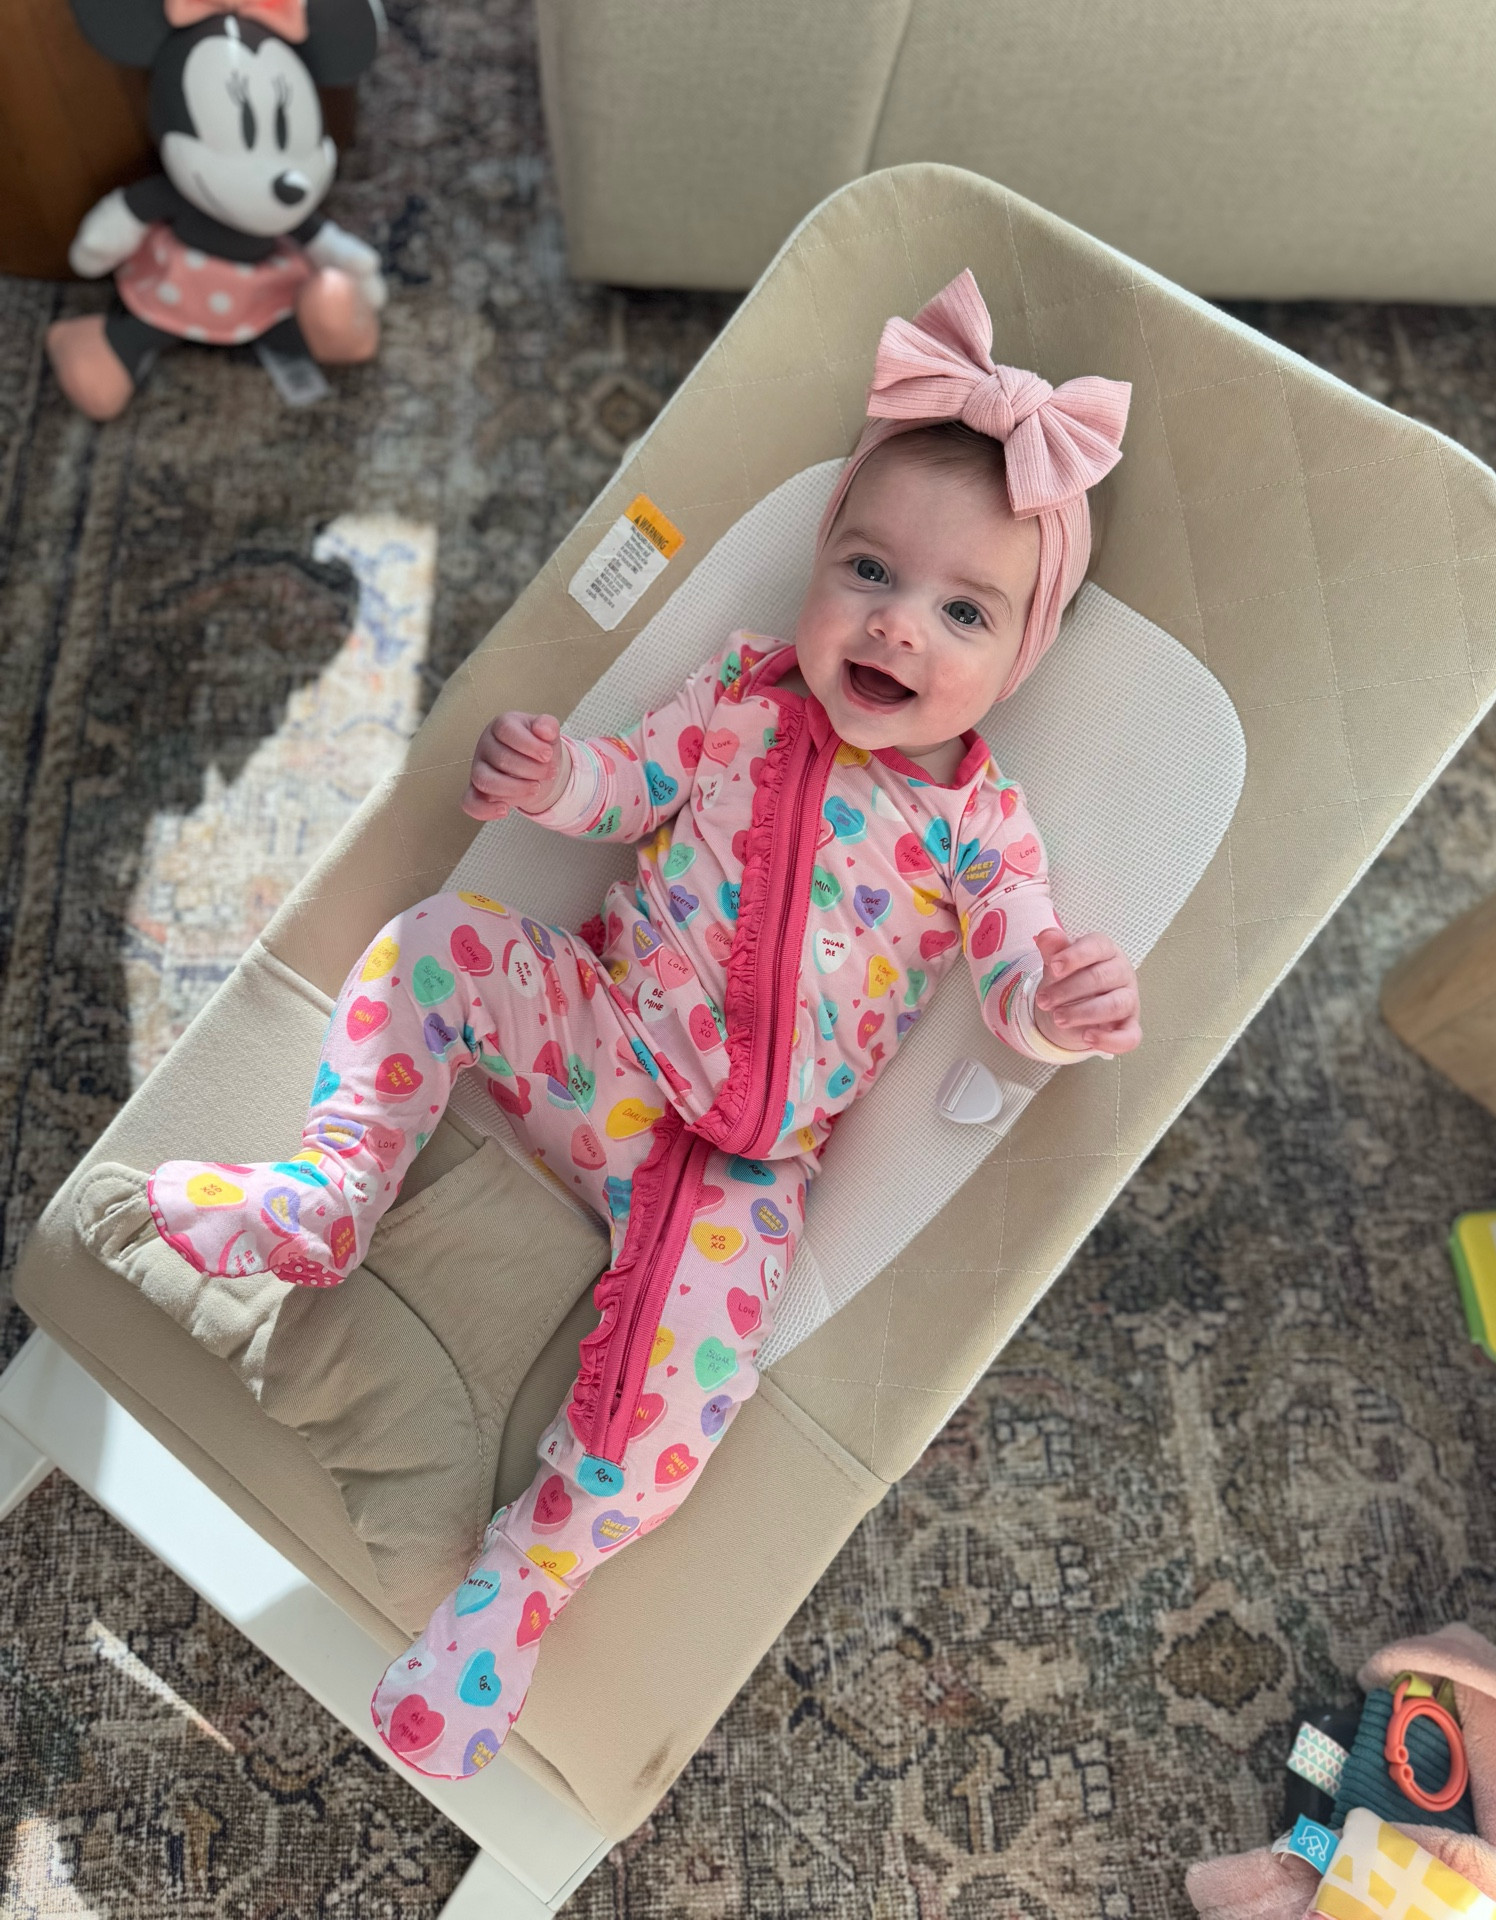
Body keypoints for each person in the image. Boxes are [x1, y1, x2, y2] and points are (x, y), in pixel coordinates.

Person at [144, 269, 1143, 1779]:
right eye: (867, 571)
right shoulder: (743, 693)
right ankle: (330, 1194)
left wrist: (1060, 1010)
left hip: (729, 1168)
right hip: (598, 1037)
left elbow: (1012, 988)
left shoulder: (983, 827)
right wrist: (550, 779)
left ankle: (515, 1591)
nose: (895, 627)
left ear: (1022, 657)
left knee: (690, 1387)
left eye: (962, 611)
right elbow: (633, 788)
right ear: (821, 567)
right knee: (434, 946)